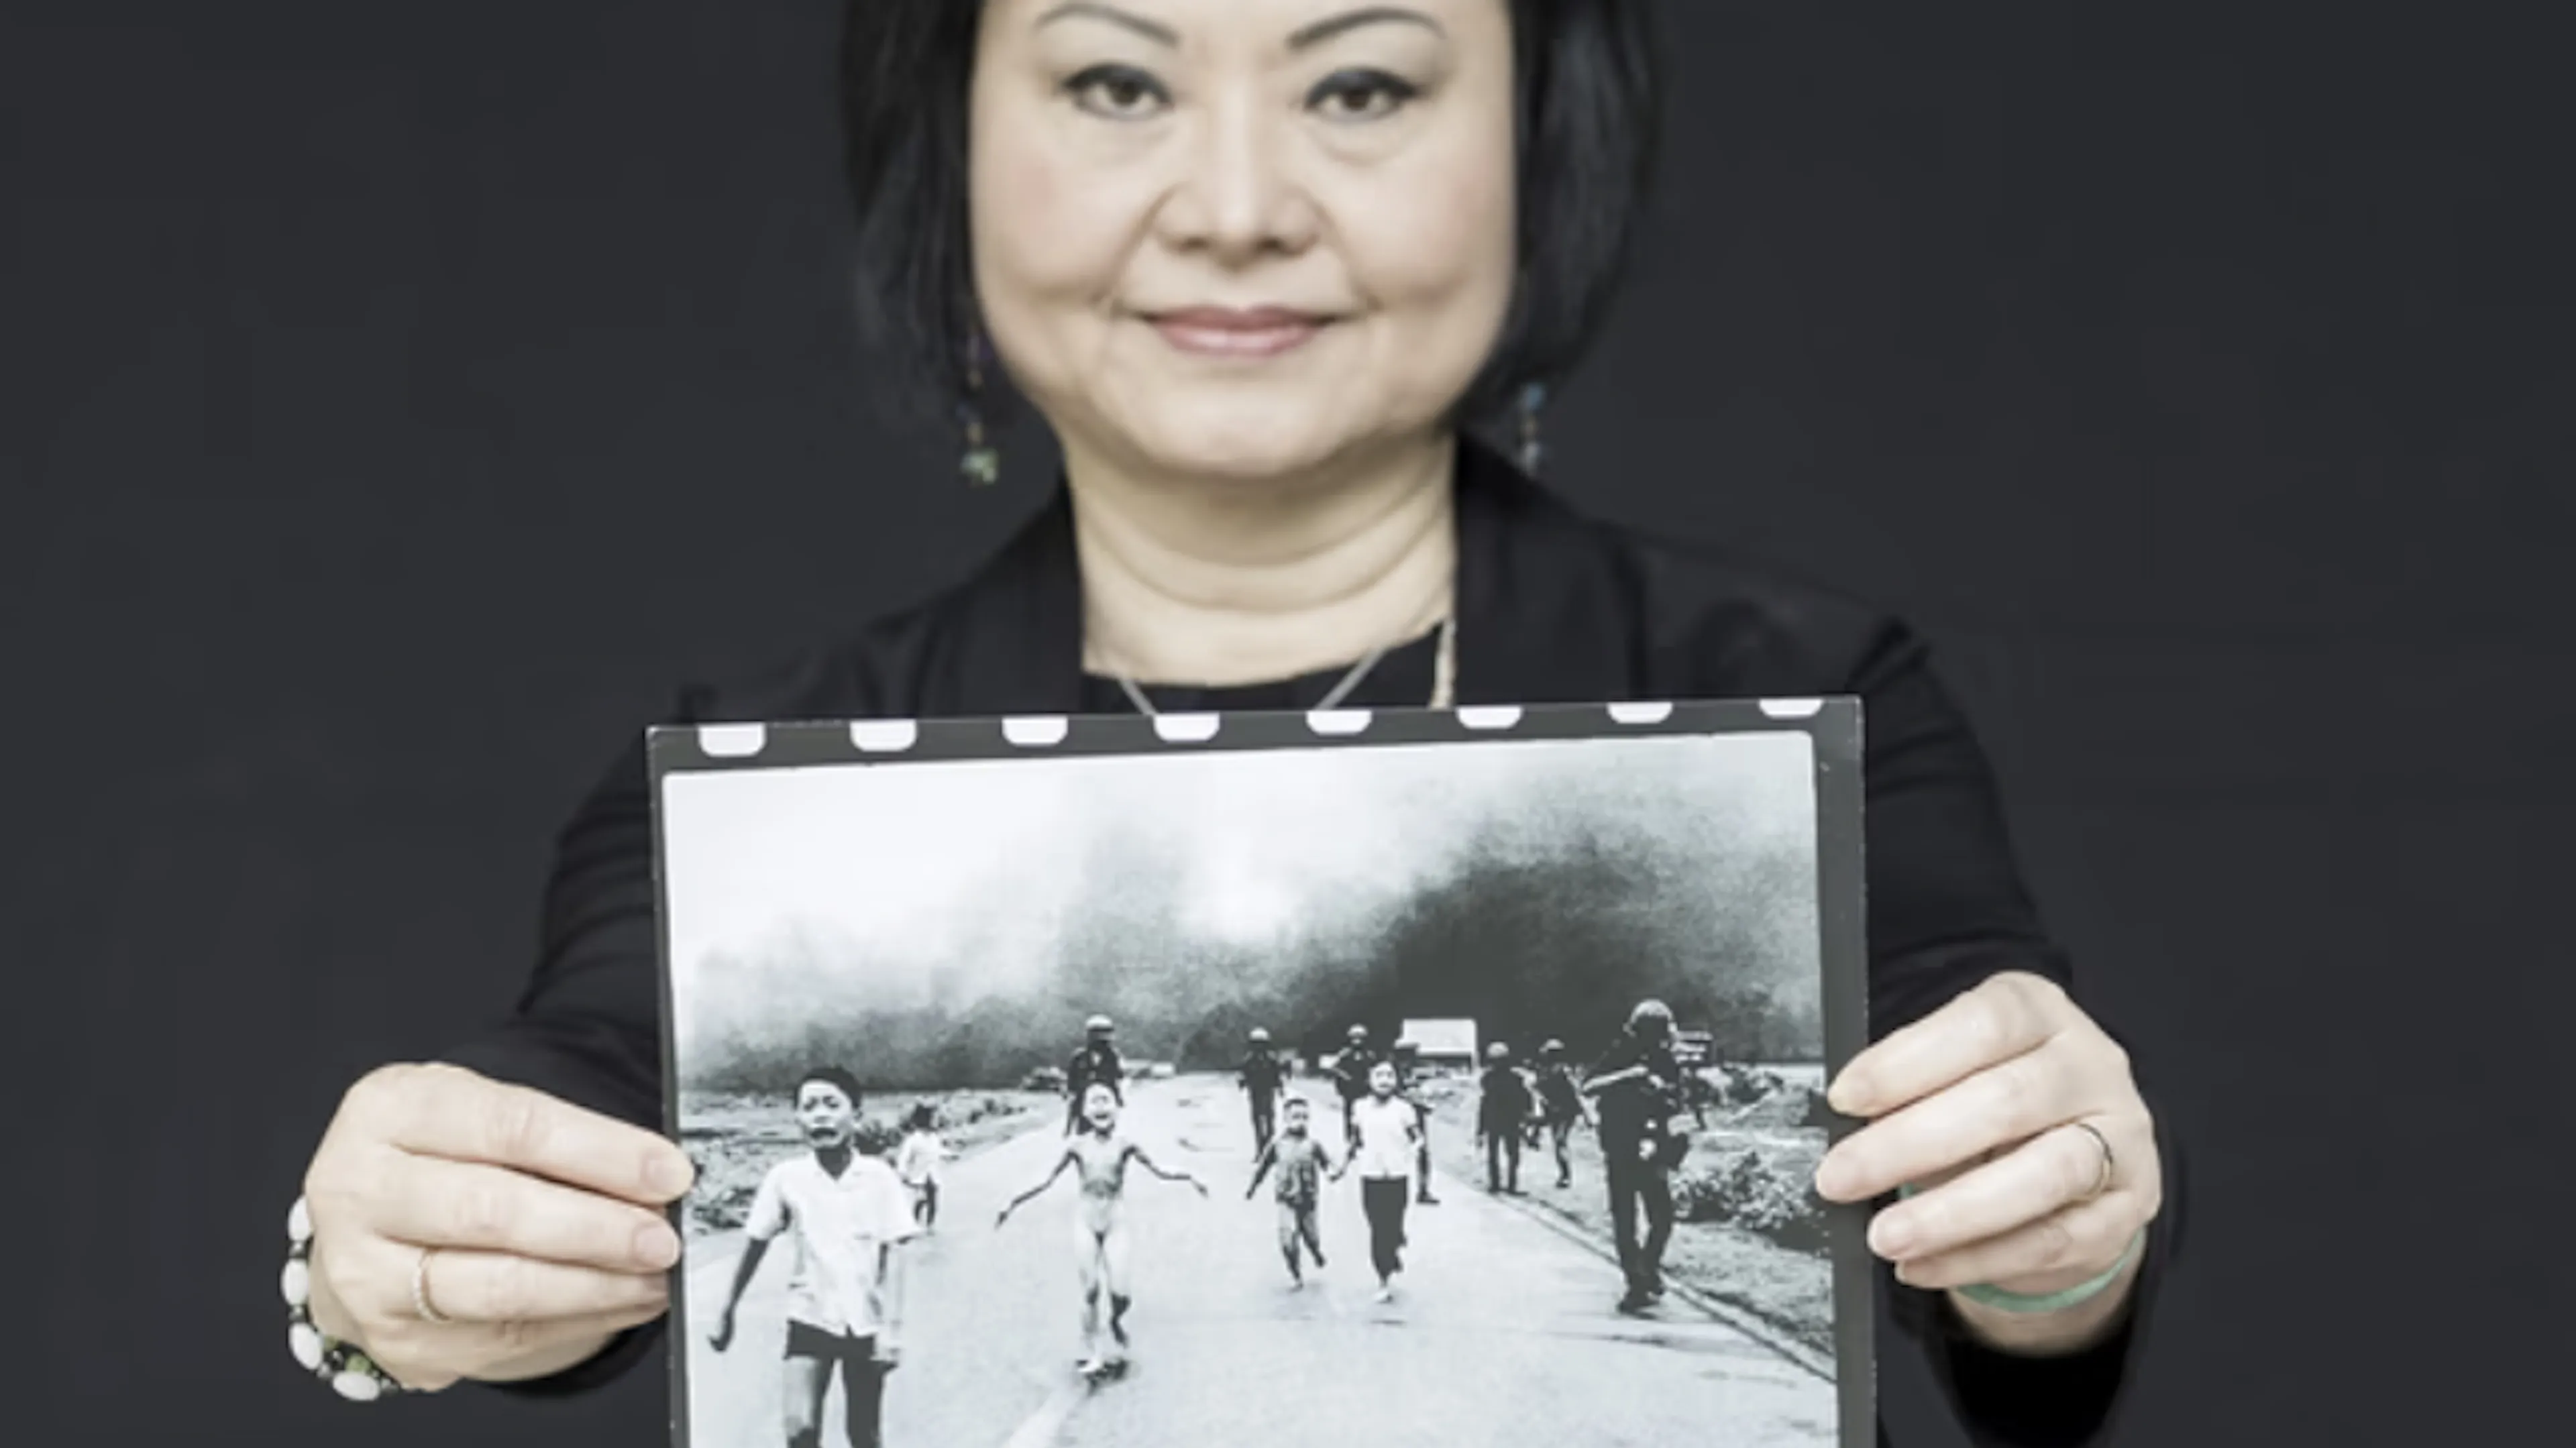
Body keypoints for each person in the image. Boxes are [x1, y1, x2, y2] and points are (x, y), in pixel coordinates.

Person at [284, 4, 2177, 1442]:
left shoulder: (1819, 695)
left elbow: (2012, 1254)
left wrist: (2051, 1226)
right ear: (950, 136)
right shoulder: (742, 772)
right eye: (1118, 82)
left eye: (1361, 86)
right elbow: (595, 1079)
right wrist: (414, 1248)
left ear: (1535, 141)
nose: (1241, 207)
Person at [704, 1068, 916, 1448]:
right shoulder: (786, 1178)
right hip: (809, 1319)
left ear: (857, 1115)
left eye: (832, 1105)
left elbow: (897, 1250)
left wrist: (892, 1331)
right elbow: (755, 1243)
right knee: (800, 1430)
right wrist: (727, 1309)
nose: (821, 1115)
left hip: (865, 1326)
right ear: (799, 1120)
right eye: (809, 1107)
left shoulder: (879, 1177)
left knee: (864, 1435)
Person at [995, 1081, 1209, 1375]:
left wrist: (1190, 1176)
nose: (1100, 1107)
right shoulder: (1076, 1146)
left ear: (1118, 1108)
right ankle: (1093, 1350)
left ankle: (1116, 1321)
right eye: (1093, 1102)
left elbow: (1160, 1169)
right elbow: (1045, 1178)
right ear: (1083, 1111)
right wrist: (1011, 1202)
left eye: (1106, 1101)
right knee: (1091, 1289)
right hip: (1085, 1220)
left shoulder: (1126, 1144)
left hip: (1115, 1221)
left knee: (1121, 1292)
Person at [1582, 1001, 1693, 1313]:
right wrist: (1629, 1075)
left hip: (1653, 1148)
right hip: (1620, 1146)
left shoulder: (1669, 1062)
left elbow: (1677, 1106)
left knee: (1662, 1217)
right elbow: (1589, 1086)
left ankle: (1647, 1268)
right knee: (1626, 1219)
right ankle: (1636, 1282)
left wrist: (1677, 1143)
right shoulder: (1620, 1053)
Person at [1340, 1062, 1422, 1304]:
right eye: (1379, 1075)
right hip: (1371, 1175)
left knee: (1393, 1224)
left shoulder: (1404, 1109)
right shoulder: (1360, 1107)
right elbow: (1355, 1141)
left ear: (1396, 1080)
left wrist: (1413, 1151)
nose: (1384, 1080)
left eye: (1389, 1075)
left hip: (1397, 1175)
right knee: (1377, 1227)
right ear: (1369, 1080)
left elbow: (1417, 1138)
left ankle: (1394, 1246)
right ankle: (1384, 1278)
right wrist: (1341, 1167)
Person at [1243, 1095, 1336, 1288]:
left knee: (1311, 1236)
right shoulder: (1277, 1145)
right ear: (1285, 1119)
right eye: (1295, 1117)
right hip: (1286, 1199)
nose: (1299, 1121)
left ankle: (1316, 1252)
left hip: (1309, 1200)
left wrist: (1331, 1173)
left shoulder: (1313, 1145)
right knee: (1288, 1240)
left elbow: (1328, 1164)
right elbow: (1262, 1168)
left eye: (1304, 1117)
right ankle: (1296, 1274)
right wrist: (1252, 1187)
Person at [1388, 1039, 1442, 1205]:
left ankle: (1423, 1189)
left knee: (1423, 1153)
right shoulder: (1392, 1073)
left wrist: (1423, 1101)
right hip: (1398, 1118)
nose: (1412, 1057)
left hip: (1416, 1116)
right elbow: (1394, 1094)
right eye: (1410, 1054)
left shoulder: (1410, 1071)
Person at [1532, 1040, 1591, 1189]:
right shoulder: (1544, 1070)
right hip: (1553, 1110)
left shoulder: (1563, 1071)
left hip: (1566, 1111)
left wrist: (1587, 1114)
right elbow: (1537, 1088)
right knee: (1557, 1142)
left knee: (1560, 1141)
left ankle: (1566, 1176)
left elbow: (1576, 1092)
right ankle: (1563, 1174)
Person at [1476, 1042, 1534, 1194]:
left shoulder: (1487, 1079)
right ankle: (1511, 1185)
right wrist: (1526, 1119)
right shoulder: (1515, 1078)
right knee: (1512, 1154)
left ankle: (1495, 1184)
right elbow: (1525, 1100)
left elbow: (1485, 1103)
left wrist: (1481, 1128)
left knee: (1495, 1153)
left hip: (1495, 1120)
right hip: (1510, 1120)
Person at [1063, 1015, 1126, 1137]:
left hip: (1106, 1100)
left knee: (1107, 1134)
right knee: (1084, 1136)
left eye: (1105, 1033)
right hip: (1084, 1102)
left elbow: (1120, 1078)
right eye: (1098, 1034)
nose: (1102, 1039)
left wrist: (1118, 1096)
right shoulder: (1079, 1057)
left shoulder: (1114, 1056)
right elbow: (1072, 1082)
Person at [893, 1103, 948, 1231]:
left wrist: (949, 1154)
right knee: (921, 1199)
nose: (936, 1122)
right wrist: (902, 1172)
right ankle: (914, 1223)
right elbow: (904, 1157)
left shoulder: (934, 1137)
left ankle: (930, 1225)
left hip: (932, 1174)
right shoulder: (914, 1139)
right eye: (933, 1119)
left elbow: (938, 1151)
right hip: (919, 1175)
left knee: (933, 1201)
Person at [1238, 1027, 1287, 1153]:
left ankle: (1269, 1146)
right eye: (1256, 1044)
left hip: (1267, 1091)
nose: (1259, 1047)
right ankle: (1260, 1147)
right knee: (1257, 1120)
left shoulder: (1271, 1060)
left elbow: (1277, 1075)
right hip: (1255, 1092)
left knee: (1269, 1120)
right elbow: (1243, 1074)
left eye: (1261, 1044)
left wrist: (1280, 1088)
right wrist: (1243, 1082)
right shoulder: (1249, 1060)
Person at [1329, 1024, 1379, 1142]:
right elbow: (1336, 1069)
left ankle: (1365, 1135)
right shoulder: (1345, 1054)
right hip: (1350, 1091)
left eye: (1360, 1037)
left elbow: (1374, 1069)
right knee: (1350, 1114)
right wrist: (1345, 1079)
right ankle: (1350, 1137)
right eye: (1355, 1038)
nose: (1357, 1041)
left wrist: (1371, 1081)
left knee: (1367, 1113)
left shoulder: (1369, 1055)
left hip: (1364, 1090)